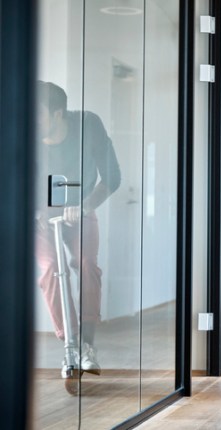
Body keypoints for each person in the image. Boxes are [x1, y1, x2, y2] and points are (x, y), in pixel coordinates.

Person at [35, 81, 121, 376]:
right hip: (38, 216)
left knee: (85, 264)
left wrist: (85, 206)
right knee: (50, 269)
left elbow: (112, 177)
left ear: (59, 114)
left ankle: (87, 345)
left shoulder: (88, 125)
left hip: (80, 209)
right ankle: (69, 346)